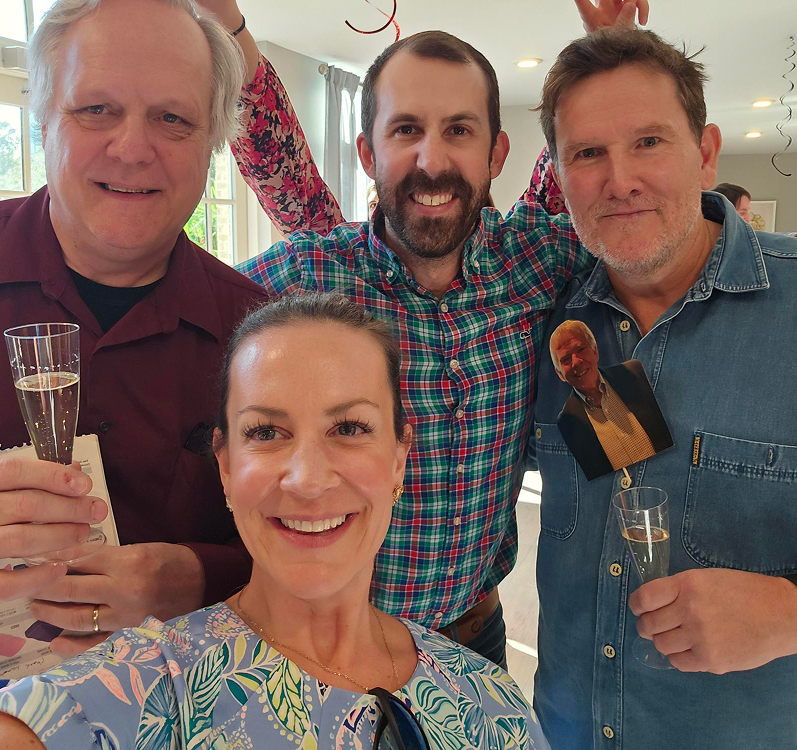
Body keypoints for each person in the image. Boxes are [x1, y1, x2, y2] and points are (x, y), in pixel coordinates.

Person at [193, 0, 648, 667]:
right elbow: (182, 304)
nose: (431, 159)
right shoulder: (309, 274)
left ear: (495, 152)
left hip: (475, 635)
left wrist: (611, 52)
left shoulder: (538, 261)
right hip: (326, 644)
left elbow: (610, 198)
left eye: (459, 131)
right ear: (367, 151)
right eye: (405, 129)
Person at [0, 293, 549, 750]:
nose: (307, 479)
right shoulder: (136, 690)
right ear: (225, 467)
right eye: (265, 432)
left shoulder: (491, 703)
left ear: (399, 461)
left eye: (351, 428)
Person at [529, 27, 797, 749]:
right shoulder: (543, 321)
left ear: (705, 152)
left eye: (648, 142)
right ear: (558, 175)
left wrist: (786, 615)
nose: (619, 180)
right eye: (587, 153)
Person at [0, 0, 267, 660]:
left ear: (211, 144)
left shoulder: (258, 333)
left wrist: (192, 576)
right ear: (43, 122)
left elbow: (304, 538)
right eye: (96, 110)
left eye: (172, 119)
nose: (131, 148)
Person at [550, 321, 671, 480]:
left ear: (595, 351)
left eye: (581, 349)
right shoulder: (568, 422)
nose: (576, 361)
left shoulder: (635, 375)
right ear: (559, 374)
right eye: (565, 359)